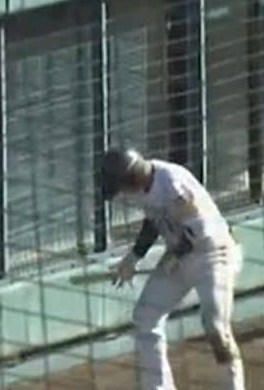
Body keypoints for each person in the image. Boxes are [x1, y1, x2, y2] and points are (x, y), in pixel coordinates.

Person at [102, 148, 245, 390]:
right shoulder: (144, 185)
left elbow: (198, 230)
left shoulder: (172, 182)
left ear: (133, 178)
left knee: (216, 327)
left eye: (121, 186)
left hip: (214, 254)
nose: (122, 193)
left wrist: (175, 255)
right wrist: (134, 257)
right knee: (146, 317)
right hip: (179, 255)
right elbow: (153, 221)